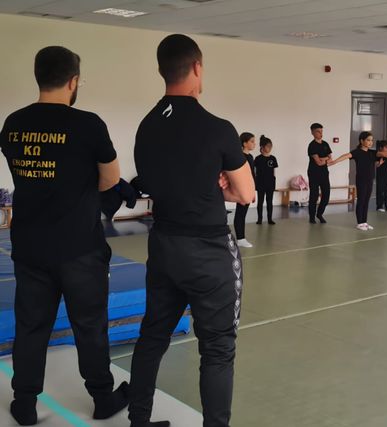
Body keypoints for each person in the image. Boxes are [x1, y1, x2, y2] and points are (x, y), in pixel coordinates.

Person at [131, 34, 255, 427]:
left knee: (153, 336)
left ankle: (138, 420)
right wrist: (220, 184)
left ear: (161, 70)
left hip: (164, 246)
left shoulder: (146, 127)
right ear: (197, 67)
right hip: (208, 252)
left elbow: (153, 183)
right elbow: (246, 194)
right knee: (217, 349)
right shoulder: (218, 129)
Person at [0, 46, 127, 426]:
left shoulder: (13, 123)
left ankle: (24, 403)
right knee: (89, 325)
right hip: (79, 248)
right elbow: (111, 179)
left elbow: (24, 173)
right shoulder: (88, 125)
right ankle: (102, 398)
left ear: (39, 77)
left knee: (31, 325)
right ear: (73, 82)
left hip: (30, 245)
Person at [330, 132, 387, 230]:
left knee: (366, 201)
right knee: (361, 200)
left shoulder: (372, 153)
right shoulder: (357, 152)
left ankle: (364, 222)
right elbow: (346, 155)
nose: (370, 142)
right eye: (368, 140)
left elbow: (382, 154)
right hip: (361, 180)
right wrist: (335, 161)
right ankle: (359, 223)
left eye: (371, 140)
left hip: (370, 180)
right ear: (362, 141)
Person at [234, 132, 256, 248]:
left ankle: (241, 238)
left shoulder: (250, 157)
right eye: (252, 141)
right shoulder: (240, 156)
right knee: (240, 213)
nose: (254, 144)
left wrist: (253, 191)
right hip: (242, 189)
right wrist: (241, 190)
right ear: (244, 143)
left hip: (248, 189)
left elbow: (252, 175)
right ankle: (240, 238)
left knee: (243, 213)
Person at [307, 123, 332, 224]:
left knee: (326, 195)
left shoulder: (325, 144)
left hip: (324, 173)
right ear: (312, 132)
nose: (320, 133)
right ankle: (312, 217)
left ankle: (319, 214)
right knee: (314, 195)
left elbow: (330, 159)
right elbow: (318, 162)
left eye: (321, 131)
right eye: (318, 131)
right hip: (313, 173)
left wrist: (323, 159)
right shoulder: (312, 146)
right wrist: (326, 159)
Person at [254, 135, 278, 225]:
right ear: (262, 147)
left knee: (269, 201)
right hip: (260, 183)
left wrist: (274, 181)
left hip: (270, 183)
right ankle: (259, 219)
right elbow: (255, 172)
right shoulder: (258, 159)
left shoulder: (273, 158)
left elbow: (274, 172)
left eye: (271, 146)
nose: (270, 148)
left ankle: (270, 219)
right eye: (268, 146)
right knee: (260, 201)